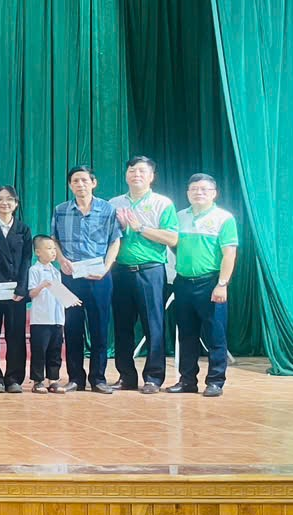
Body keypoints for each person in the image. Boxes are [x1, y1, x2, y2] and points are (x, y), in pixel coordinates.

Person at [107, 156, 178, 394]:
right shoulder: (114, 203)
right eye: (131, 170)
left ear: (151, 176)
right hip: (120, 271)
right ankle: (126, 376)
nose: (136, 174)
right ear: (126, 175)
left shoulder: (162, 203)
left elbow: (172, 238)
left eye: (141, 171)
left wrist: (140, 227)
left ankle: (154, 378)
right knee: (122, 327)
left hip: (151, 270)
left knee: (153, 325)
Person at [51, 165, 121, 393]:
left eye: (84, 180)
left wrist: (106, 268)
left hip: (99, 277)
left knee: (99, 328)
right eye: (75, 181)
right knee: (72, 328)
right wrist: (61, 259)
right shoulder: (61, 210)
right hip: (70, 277)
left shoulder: (108, 209)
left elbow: (115, 240)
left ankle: (98, 378)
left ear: (93, 182)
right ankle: (75, 378)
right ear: (70, 185)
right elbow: (54, 239)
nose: (80, 185)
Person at [167, 174, 238, 397]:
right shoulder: (179, 216)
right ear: (187, 193)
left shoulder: (224, 218)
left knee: (215, 335)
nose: (199, 193)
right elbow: (173, 245)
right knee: (186, 335)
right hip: (182, 283)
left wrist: (222, 284)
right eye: (194, 189)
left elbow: (229, 254)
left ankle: (215, 381)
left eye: (204, 189)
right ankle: (187, 380)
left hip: (210, 283)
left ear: (214, 193)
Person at [0, 186, 34, 393]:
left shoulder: (23, 229)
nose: (5, 203)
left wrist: (22, 288)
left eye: (9, 199)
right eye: (0, 199)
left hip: (15, 292)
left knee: (16, 336)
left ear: (16, 203)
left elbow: (27, 260)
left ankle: (13, 379)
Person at [28, 235, 77, 393]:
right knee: (39, 351)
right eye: (49, 248)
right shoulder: (34, 270)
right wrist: (42, 285)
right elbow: (31, 293)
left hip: (57, 318)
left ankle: (53, 380)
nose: (53, 252)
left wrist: (71, 300)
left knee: (55, 351)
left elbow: (60, 293)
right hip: (41, 319)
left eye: (54, 249)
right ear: (38, 252)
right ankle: (38, 381)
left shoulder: (56, 272)